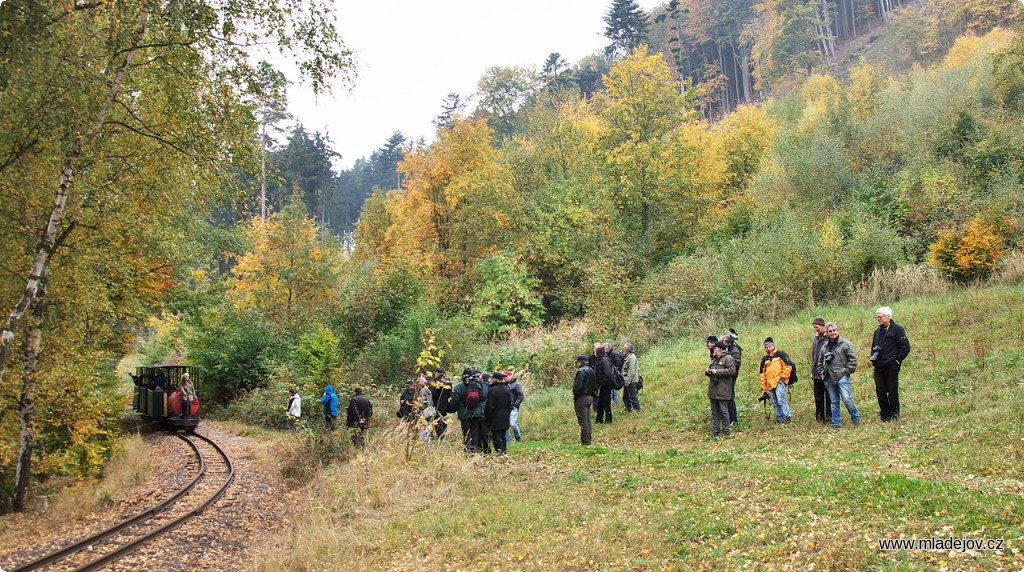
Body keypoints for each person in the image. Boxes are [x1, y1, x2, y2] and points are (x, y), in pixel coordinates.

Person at [871, 306, 911, 422]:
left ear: (888, 316)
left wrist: (897, 361)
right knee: (880, 390)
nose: (878, 319)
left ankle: (894, 415)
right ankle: (885, 414)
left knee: (892, 390)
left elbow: (905, 347)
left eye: (881, 316)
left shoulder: (897, 329)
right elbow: (874, 347)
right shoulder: (877, 332)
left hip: (891, 365)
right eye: (877, 317)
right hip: (879, 365)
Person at [818, 322, 861, 429]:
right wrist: (822, 373)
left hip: (842, 376)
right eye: (830, 331)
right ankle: (836, 423)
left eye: (834, 330)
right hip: (828, 376)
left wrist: (847, 371)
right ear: (827, 333)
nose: (833, 333)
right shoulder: (824, 346)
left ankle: (856, 418)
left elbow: (852, 359)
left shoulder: (845, 344)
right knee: (834, 401)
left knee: (846, 399)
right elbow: (820, 362)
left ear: (838, 331)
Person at [450, 368, 489, 453]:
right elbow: (482, 398)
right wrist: (480, 383)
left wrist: (453, 408)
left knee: (466, 433)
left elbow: (455, 400)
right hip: (476, 413)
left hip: (464, 414)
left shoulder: (459, 386)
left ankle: (468, 450)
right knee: (475, 433)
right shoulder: (477, 385)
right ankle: (475, 450)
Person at [706, 341, 737, 437]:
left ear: (718, 349)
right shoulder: (714, 359)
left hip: (723, 389)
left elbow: (732, 371)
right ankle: (715, 431)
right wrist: (708, 371)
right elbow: (711, 369)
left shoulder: (728, 358)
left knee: (723, 410)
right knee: (714, 411)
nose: (713, 351)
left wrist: (717, 372)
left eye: (714, 349)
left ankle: (726, 430)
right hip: (713, 389)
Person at [758, 338, 793, 424]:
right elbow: (762, 374)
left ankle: (787, 417)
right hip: (770, 383)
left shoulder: (781, 354)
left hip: (779, 381)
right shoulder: (765, 359)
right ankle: (779, 418)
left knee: (781, 399)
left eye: (769, 346)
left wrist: (783, 378)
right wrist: (763, 388)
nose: (768, 348)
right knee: (775, 402)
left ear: (773, 345)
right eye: (766, 347)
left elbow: (788, 367)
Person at [810, 316, 832, 424]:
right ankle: (819, 417)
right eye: (815, 328)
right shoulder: (816, 339)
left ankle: (829, 417)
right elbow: (814, 356)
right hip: (816, 372)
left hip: (827, 372)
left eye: (817, 327)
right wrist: (812, 371)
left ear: (823, 326)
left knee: (829, 396)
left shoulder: (829, 338)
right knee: (818, 396)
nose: (816, 329)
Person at [572, 355, 598, 445]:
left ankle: (585, 441)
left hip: (581, 398)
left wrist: (575, 396)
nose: (577, 364)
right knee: (587, 420)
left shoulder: (580, 371)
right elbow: (595, 385)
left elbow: (578, 386)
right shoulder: (591, 370)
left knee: (583, 421)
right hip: (589, 397)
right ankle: (588, 439)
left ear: (580, 362)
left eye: (577, 362)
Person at [485, 372, 513, 454]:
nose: (491, 380)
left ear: (495, 379)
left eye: (492, 378)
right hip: (505, 415)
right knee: (503, 436)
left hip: (495, 416)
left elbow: (490, 406)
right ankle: (504, 452)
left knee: (497, 437)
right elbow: (510, 404)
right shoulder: (507, 389)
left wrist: (488, 416)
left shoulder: (492, 390)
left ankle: (500, 453)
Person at [720, 331, 742, 425]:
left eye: (722, 342)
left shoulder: (734, 350)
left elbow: (736, 363)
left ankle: (733, 419)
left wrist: (725, 367)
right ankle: (727, 418)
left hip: (731, 376)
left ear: (727, 342)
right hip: (725, 376)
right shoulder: (725, 349)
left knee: (730, 398)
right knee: (725, 397)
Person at [593, 346, 615, 424]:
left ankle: (608, 420)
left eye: (596, 351)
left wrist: (602, 383)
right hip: (601, 386)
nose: (594, 353)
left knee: (606, 403)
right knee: (600, 404)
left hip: (606, 386)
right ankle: (599, 420)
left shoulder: (604, 360)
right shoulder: (600, 360)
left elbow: (608, 374)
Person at [429, 368, 453, 440]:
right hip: (445, 405)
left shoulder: (436, 383)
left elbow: (433, 395)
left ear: (437, 373)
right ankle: (443, 435)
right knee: (443, 419)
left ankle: (440, 436)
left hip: (437, 405)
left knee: (437, 420)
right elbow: (450, 394)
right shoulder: (448, 383)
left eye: (435, 373)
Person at [621, 343, 642, 412]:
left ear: (627, 349)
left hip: (631, 381)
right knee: (625, 397)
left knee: (633, 396)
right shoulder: (628, 357)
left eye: (624, 348)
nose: (623, 349)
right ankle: (628, 409)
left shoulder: (632, 357)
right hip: (627, 380)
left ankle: (638, 410)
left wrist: (627, 381)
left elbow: (631, 371)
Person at [506, 372, 525, 442]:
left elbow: (521, 396)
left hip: (514, 407)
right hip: (506, 408)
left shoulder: (516, 384)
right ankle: (507, 440)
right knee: (506, 425)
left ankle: (518, 437)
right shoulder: (505, 385)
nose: (505, 377)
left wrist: (515, 404)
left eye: (506, 376)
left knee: (512, 424)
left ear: (510, 376)